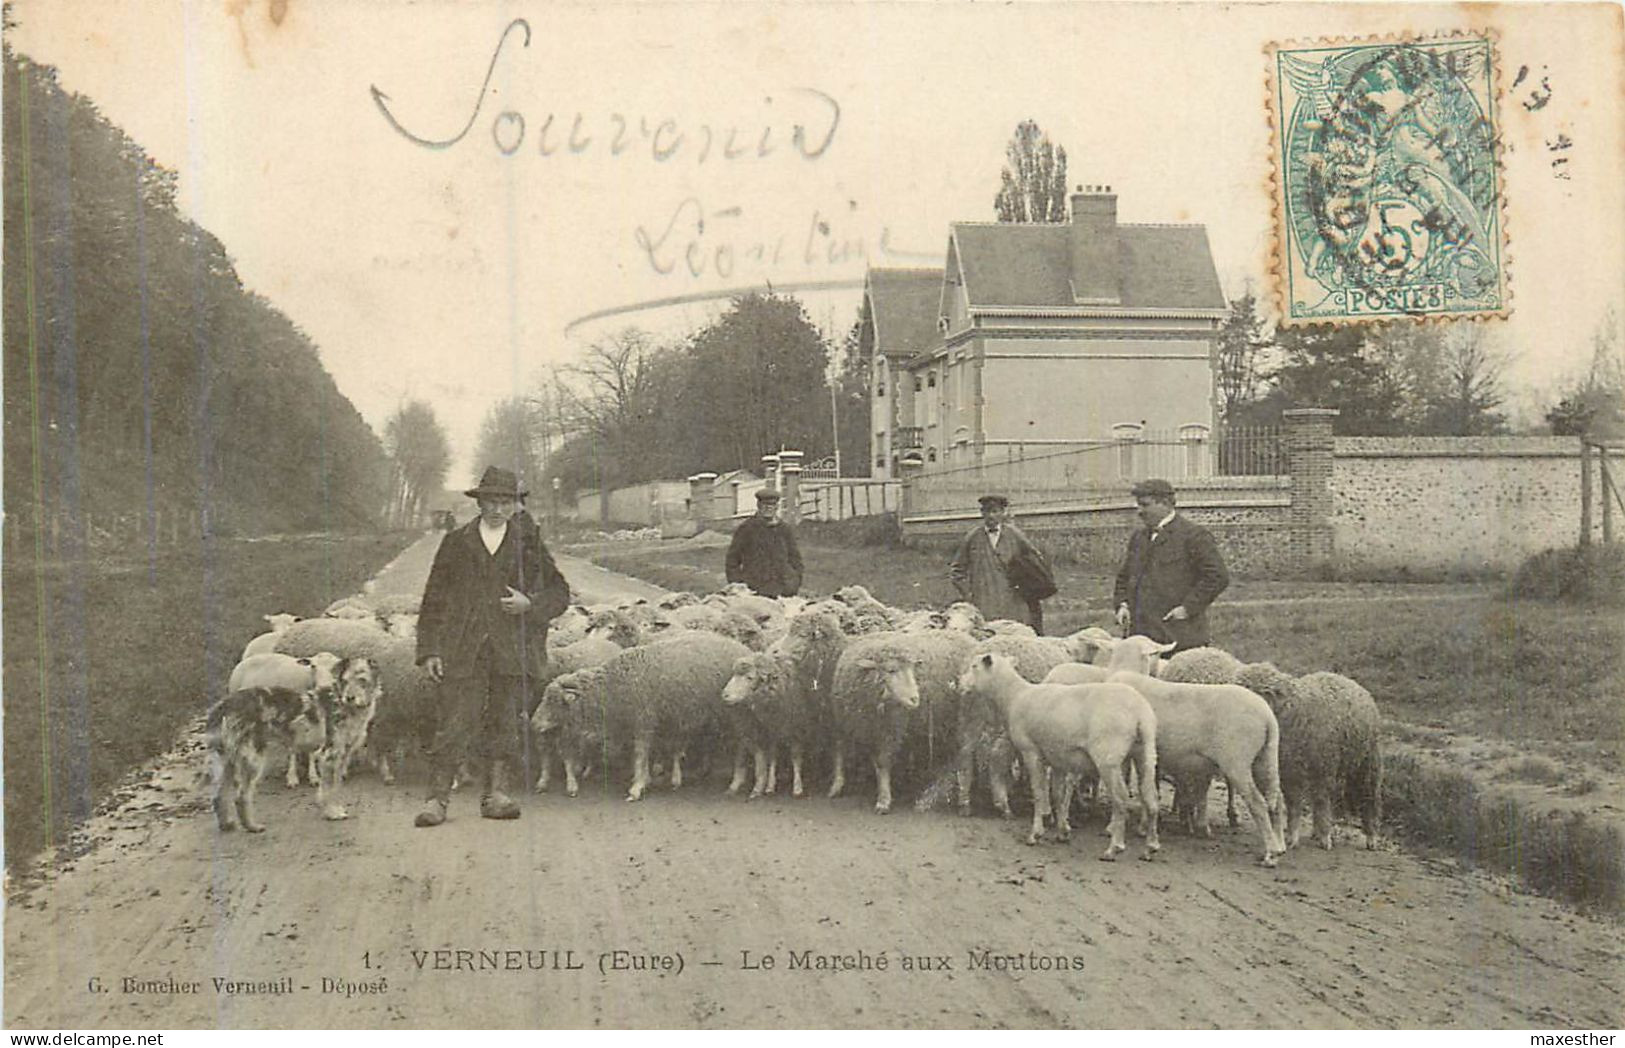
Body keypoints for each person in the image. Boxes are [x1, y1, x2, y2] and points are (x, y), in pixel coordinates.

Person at [413, 466, 571, 827]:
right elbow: (433, 599)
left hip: (511, 650)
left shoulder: (528, 543)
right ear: (479, 503)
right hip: (462, 648)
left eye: (505, 501)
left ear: (515, 505)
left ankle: (496, 794)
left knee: (505, 723)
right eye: (491, 501)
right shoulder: (456, 541)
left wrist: (530, 605)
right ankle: (436, 799)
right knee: (455, 721)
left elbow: (560, 593)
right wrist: (430, 650)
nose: (498, 509)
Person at [1113, 478, 1229, 653]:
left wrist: (1187, 608)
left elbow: (1217, 576)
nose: (1139, 511)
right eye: (1138, 505)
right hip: (1140, 637)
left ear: (1165, 504)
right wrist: (1122, 605)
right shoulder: (1138, 538)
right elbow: (1125, 576)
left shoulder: (1193, 536)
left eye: (1145, 505)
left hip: (1178, 635)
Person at [948, 494, 1052, 630]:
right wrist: (969, 594)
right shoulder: (973, 538)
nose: (991, 516)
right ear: (981, 513)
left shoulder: (1014, 535)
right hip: (983, 601)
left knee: (1014, 636)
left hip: (1013, 600)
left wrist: (1027, 585)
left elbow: (1036, 561)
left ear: (1003, 513)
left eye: (995, 511)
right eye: (987, 511)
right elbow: (957, 571)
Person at [725, 488, 803, 597]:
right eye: (765, 504)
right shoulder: (747, 528)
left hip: (782, 591)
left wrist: (794, 583)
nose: (769, 508)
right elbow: (732, 560)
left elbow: (795, 559)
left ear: (777, 507)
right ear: (758, 505)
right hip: (754, 591)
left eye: (772, 505)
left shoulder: (784, 529)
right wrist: (738, 585)